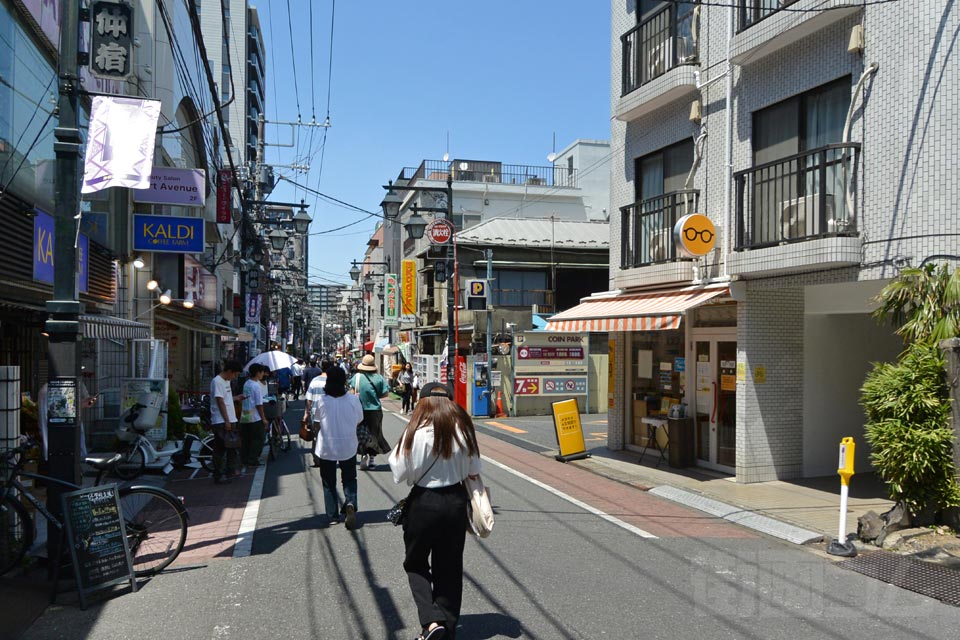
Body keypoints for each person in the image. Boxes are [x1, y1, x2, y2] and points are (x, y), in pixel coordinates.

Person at [388, 382, 482, 640]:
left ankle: (431, 621)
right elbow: (474, 469)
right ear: (451, 402)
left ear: (422, 402)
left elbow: (398, 472)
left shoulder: (415, 431)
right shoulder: (464, 430)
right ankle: (446, 629)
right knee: (449, 567)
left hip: (424, 502)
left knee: (416, 562)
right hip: (455, 501)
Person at [309, 367, 363, 529]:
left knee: (328, 481)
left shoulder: (322, 400)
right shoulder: (353, 400)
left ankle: (332, 515)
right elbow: (359, 419)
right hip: (348, 444)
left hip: (326, 446)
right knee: (349, 478)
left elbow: (317, 422)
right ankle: (351, 503)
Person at [348, 354, 390, 470]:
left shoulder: (356, 377)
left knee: (360, 433)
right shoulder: (379, 378)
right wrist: (374, 396)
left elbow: (351, 392)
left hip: (358, 409)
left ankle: (363, 456)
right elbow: (385, 394)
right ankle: (372, 460)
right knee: (374, 434)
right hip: (375, 410)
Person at [210, 360, 244, 484]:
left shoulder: (226, 381)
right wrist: (227, 420)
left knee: (232, 446)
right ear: (229, 371)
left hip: (230, 418)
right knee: (220, 449)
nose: (234, 377)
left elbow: (226, 398)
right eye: (234, 374)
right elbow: (220, 401)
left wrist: (236, 398)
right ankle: (219, 474)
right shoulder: (217, 381)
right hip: (221, 420)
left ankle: (230, 471)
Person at [302, 360, 333, 468]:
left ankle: (317, 458)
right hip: (330, 414)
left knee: (317, 436)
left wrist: (306, 413)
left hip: (316, 414)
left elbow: (309, 399)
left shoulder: (314, 381)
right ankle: (328, 458)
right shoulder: (333, 381)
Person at [240, 364, 269, 467]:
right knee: (257, 438)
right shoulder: (256, 386)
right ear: (258, 373)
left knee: (246, 438)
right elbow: (259, 404)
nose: (262, 374)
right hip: (255, 415)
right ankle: (253, 459)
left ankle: (245, 459)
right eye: (261, 372)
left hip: (245, 413)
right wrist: (264, 418)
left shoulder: (247, 383)